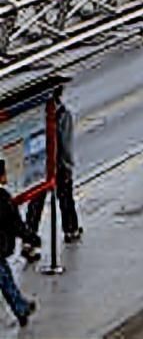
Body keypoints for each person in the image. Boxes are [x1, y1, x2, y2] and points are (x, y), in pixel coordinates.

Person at [22, 101, 79, 255]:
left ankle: (29, 241)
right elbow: (66, 144)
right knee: (65, 196)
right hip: (58, 163)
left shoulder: (36, 115)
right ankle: (71, 230)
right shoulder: (63, 114)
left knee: (35, 204)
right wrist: (68, 165)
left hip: (40, 165)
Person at [0, 161, 38, 327]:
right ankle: (21, 308)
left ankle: (21, 307)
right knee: (5, 280)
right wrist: (31, 238)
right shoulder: (3, 198)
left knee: (6, 278)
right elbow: (16, 225)